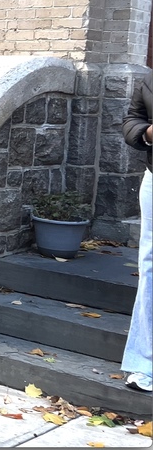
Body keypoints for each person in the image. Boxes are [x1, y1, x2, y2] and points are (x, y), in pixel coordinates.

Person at [121, 70, 152, 393]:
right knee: (150, 264)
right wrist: (148, 133)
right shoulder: (150, 81)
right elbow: (132, 121)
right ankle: (143, 363)